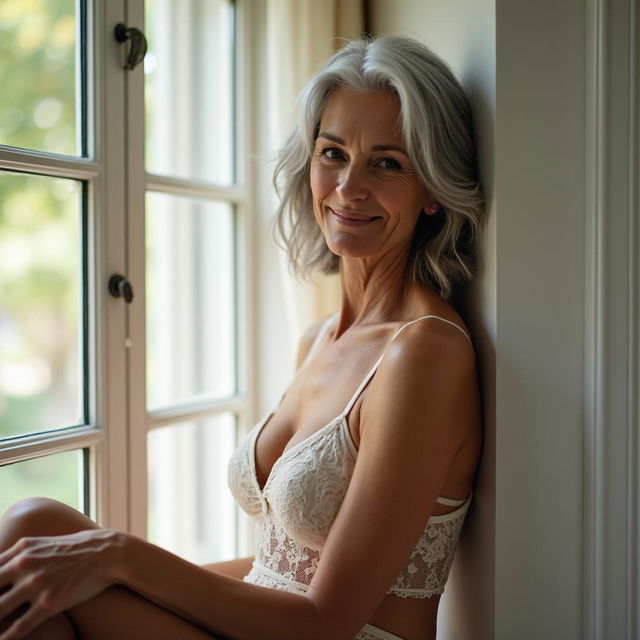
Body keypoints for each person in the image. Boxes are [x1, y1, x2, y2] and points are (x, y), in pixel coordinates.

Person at [0, 35, 483, 640]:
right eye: (332, 153)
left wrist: (119, 557)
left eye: (387, 163)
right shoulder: (319, 340)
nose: (347, 187)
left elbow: (325, 620)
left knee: (33, 528)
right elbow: (273, 569)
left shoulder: (425, 353)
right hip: (272, 622)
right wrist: (112, 572)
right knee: (37, 545)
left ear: (433, 189)